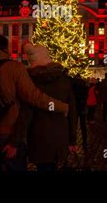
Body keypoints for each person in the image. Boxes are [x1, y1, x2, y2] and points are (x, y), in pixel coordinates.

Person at [0, 35, 69, 171]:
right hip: (7, 133)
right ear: (6, 48)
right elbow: (34, 97)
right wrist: (61, 106)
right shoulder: (14, 68)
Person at [11, 43, 77, 171]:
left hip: (39, 138)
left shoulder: (31, 82)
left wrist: (15, 141)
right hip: (61, 137)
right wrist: (72, 140)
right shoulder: (63, 79)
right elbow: (72, 111)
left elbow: (26, 113)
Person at [71, 76, 89, 150]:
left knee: (73, 125)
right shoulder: (84, 86)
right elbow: (86, 96)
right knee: (83, 125)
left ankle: (73, 142)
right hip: (82, 107)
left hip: (75, 108)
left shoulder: (73, 86)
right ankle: (84, 141)